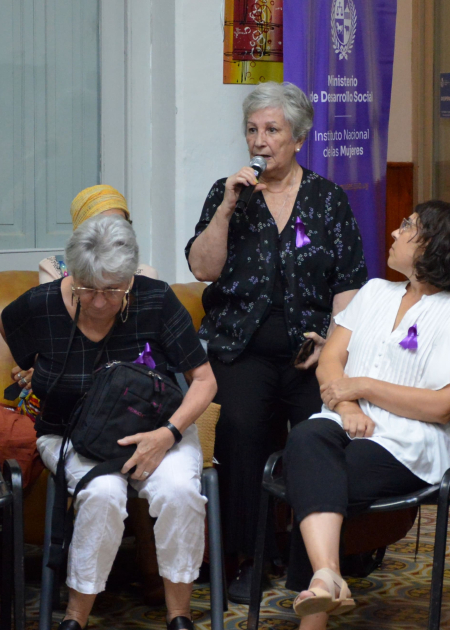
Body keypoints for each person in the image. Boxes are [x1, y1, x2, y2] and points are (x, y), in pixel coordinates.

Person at [185, 80, 367, 601]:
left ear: (298, 137)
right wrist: (225, 207)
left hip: (310, 354)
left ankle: (312, 557)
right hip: (239, 348)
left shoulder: (327, 200)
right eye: (252, 130)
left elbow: (349, 284)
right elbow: (203, 269)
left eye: (272, 130)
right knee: (240, 428)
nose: (260, 141)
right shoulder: (229, 194)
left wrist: (330, 344)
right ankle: (248, 556)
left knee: (320, 429)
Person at [281, 201, 450, 630]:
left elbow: (443, 405)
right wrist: (345, 404)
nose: (395, 233)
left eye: (407, 226)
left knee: (320, 474)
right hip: (343, 422)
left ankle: (316, 613)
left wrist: (361, 388)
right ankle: (328, 576)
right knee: (304, 439)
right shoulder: (374, 292)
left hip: (410, 443)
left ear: (434, 245)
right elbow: (329, 364)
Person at [0, 215, 217, 630]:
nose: (99, 302)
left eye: (113, 291)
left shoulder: (155, 299)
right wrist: (34, 368)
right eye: (88, 290)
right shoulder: (42, 304)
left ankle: (179, 616)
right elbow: (9, 329)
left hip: (157, 429)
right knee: (102, 493)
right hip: (68, 432)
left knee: (178, 492)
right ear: (73, 278)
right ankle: (75, 619)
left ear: (131, 280)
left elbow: (204, 381)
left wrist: (166, 434)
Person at [38, 184, 158, 283]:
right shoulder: (55, 268)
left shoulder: (145, 275)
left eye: (119, 223)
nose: (111, 232)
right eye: (100, 225)